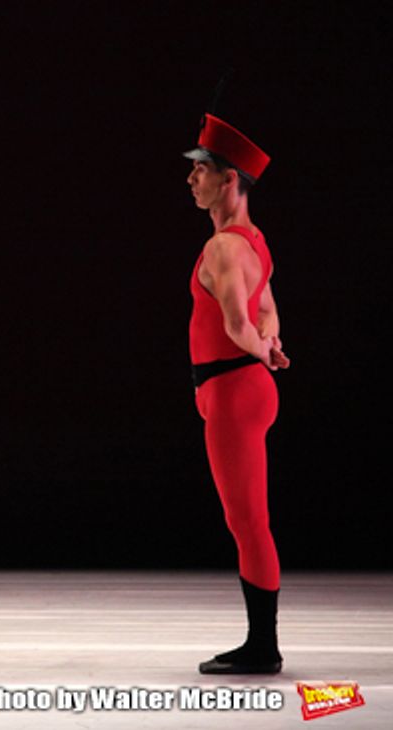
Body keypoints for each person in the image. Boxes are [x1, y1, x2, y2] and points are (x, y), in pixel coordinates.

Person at [184, 113, 290, 674]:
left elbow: (234, 325)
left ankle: (263, 647)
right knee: (248, 519)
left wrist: (258, 348)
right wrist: (270, 345)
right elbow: (266, 308)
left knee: (247, 521)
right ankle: (261, 641)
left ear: (230, 179)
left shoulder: (225, 247)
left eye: (200, 169)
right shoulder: (254, 241)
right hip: (243, 387)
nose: (190, 179)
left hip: (232, 391)